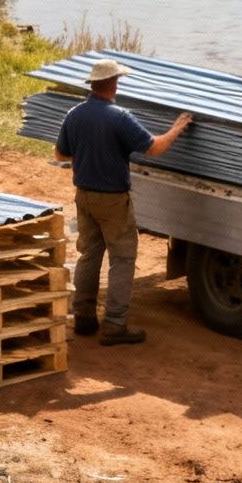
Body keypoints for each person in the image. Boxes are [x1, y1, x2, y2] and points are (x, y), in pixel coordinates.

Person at [54, 58, 192, 345]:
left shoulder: (75, 114)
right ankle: (115, 323)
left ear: (92, 84)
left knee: (89, 254)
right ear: (114, 83)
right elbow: (154, 148)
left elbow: (60, 155)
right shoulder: (119, 117)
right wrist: (177, 128)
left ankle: (84, 317)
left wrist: (86, 154)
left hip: (84, 195)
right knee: (123, 258)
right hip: (113, 199)